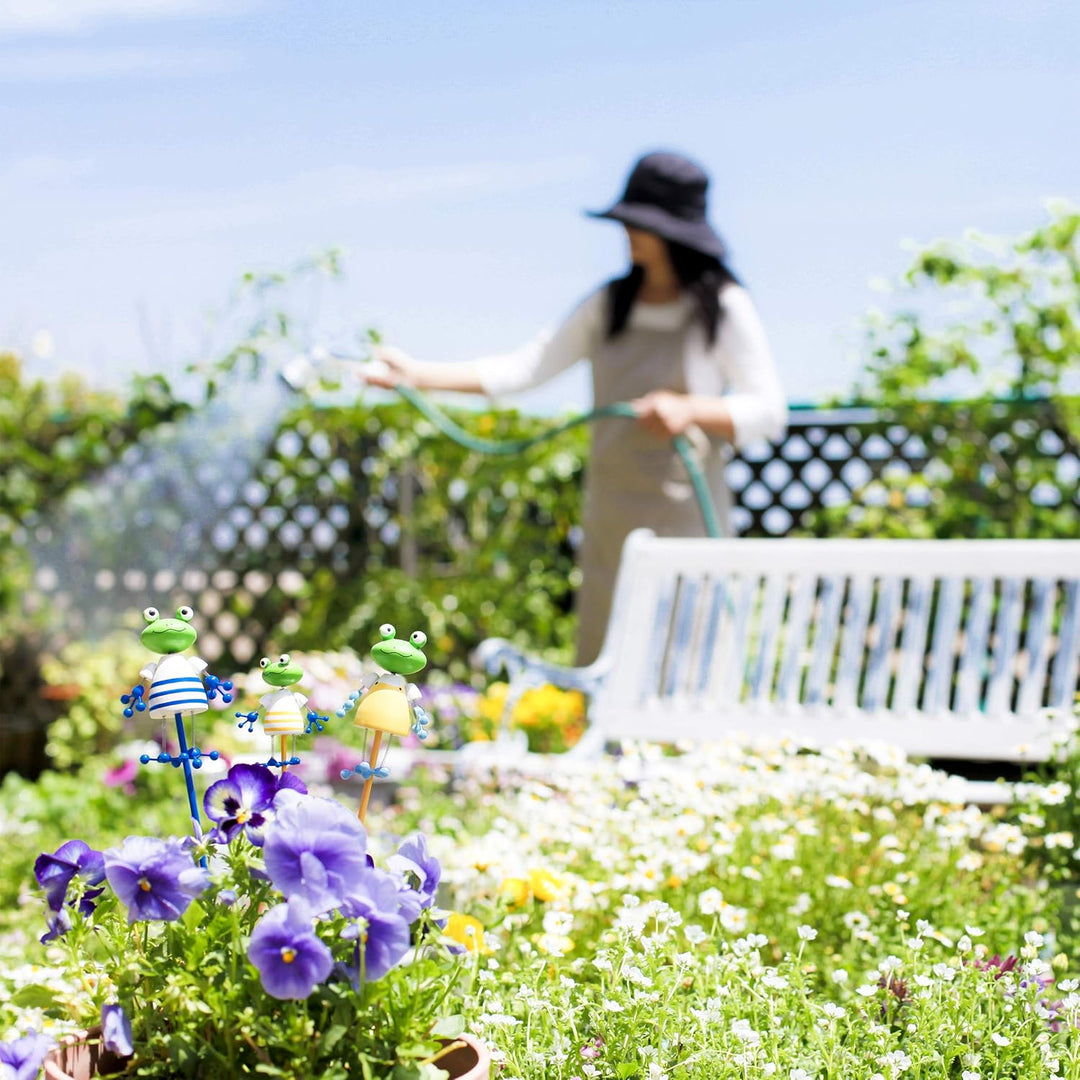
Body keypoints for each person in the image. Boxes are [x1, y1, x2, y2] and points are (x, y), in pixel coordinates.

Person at [364, 151, 787, 665]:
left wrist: (690, 408)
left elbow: (769, 410)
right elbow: (523, 370)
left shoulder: (721, 306)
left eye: (638, 223)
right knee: (609, 656)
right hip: (612, 514)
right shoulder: (609, 304)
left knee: (688, 654)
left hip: (686, 519)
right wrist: (414, 375)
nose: (627, 232)